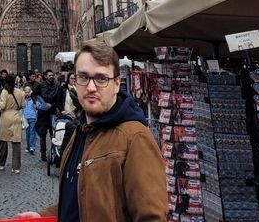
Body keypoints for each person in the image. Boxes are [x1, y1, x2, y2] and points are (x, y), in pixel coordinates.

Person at [17, 40, 167, 222]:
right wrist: (45, 215)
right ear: (75, 80)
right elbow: (82, 201)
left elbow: (152, 218)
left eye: (101, 78)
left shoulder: (135, 138)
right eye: (83, 77)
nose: (91, 87)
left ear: (117, 83)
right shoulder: (81, 132)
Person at [0, 73, 25, 173]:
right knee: (16, 143)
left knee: (3, 142)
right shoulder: (20, 92)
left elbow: (2, 105)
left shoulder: (4, 92)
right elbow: (23, 105)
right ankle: (16, 167)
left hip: (5, 118)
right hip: (16, 117)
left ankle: (1, 164)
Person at [34, 68, 63, 161]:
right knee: (42, 134)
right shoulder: (40, 85)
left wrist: (52, 105)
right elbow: (33, 94)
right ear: (45, 76)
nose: (51, 77)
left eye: (52, 75)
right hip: (42, 113)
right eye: (49, 75)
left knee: (54, 134)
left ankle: (54, 153)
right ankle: (43, 154)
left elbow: (59, 100)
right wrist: (36, 102)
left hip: (52, 113)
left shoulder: (57, 87)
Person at [22, 86, 38, 154]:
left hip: (32, 117)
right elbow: (21, 109)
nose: (27, 93)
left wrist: (36, 116)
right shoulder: (23, 100)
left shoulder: (33, 99)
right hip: (25, 118)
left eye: (28, 92)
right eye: (26, 92)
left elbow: (36, 108)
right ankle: (28, 146)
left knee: (32, 132)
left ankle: (32, 147)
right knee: (27, 133)